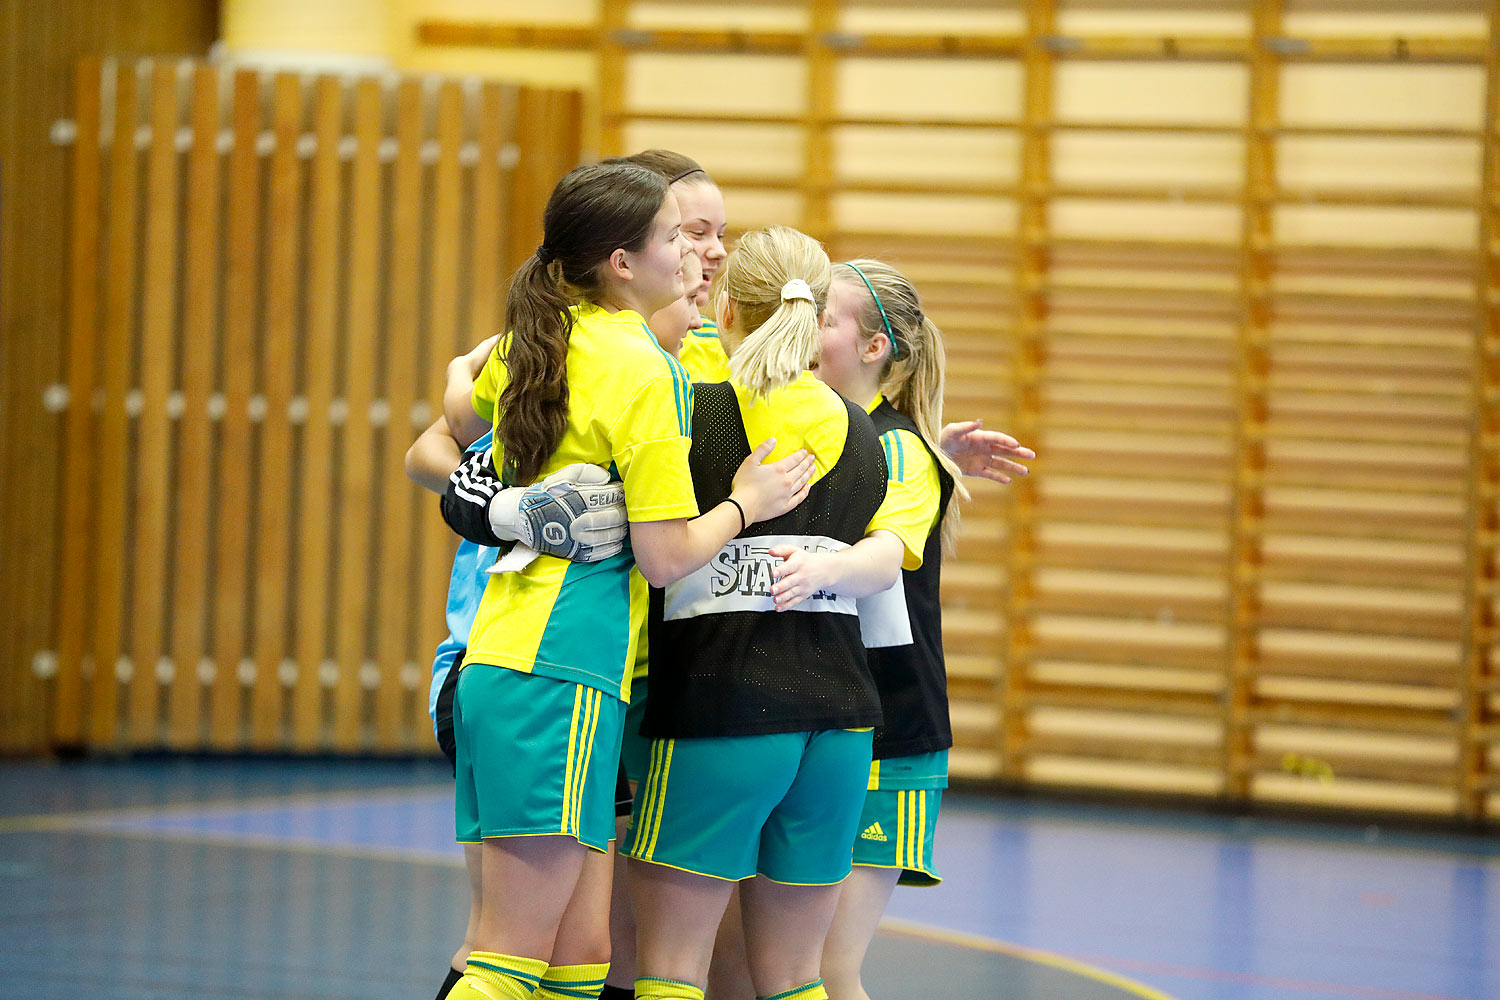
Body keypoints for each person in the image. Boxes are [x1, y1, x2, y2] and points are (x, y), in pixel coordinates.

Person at [437, 162, 815, 1000]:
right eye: (676, 235)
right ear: (622, 261)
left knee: (578, 964)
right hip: (559, 663)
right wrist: (745, 505)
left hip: (515, 653)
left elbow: (455, 429)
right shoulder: (643, 368)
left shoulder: (552, 336)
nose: (694, 251)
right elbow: (667, 555)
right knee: (505, 958)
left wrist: (500, 493)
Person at [624, 225, 925, 1000]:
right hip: (839, 728)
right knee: (797, 979)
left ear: (724, 307)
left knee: (669, 972)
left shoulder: (694, 417)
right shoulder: (867, 435)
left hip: (722, 712)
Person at [812, 259, 968, 1000]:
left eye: (824, 317)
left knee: (825, 969)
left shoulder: (897, 450)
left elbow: (873, 562)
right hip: (824, 725)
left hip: (891, 734)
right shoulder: (815, 432)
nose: (805, 329)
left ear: (873, 348)